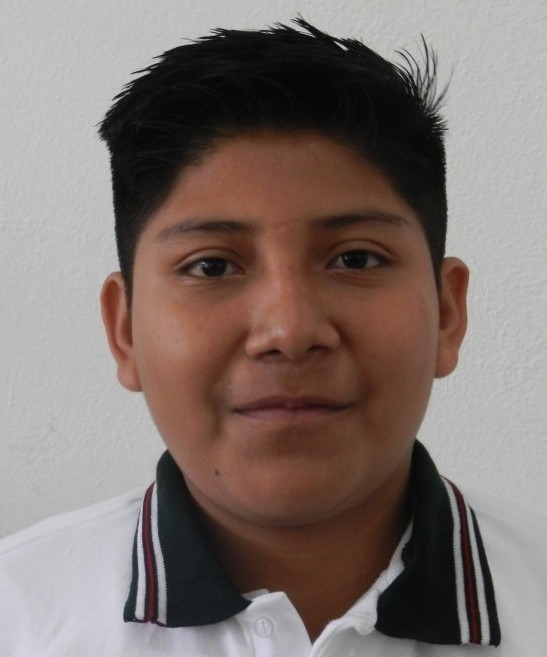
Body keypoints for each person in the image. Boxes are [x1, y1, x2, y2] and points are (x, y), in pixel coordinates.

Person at [0, 18, 545, 656]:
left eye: (356, 259)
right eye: (211, 266)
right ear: (125, 331)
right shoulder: (19, 617)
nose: (289, 331)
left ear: (448, 312)